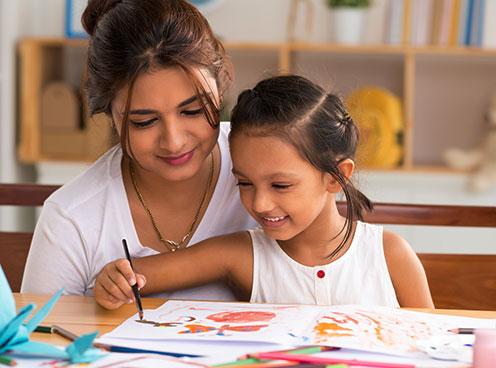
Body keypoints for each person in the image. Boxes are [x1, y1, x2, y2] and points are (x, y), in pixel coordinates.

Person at [94, 75, 434, 309]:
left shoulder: (389, 255)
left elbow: (431, 345)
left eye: (281, 185)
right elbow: (136, 276)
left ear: (336, 177)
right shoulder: (241, 255)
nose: (259, 203)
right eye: (244, 183)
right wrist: (115, 279)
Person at [21, 0, 257, 300]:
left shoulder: (268, 167)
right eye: (144, 122)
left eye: (193, 111)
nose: (173, 141)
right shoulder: (72, 218)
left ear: (220, 88)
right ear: (112, 116)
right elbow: (37, 339)